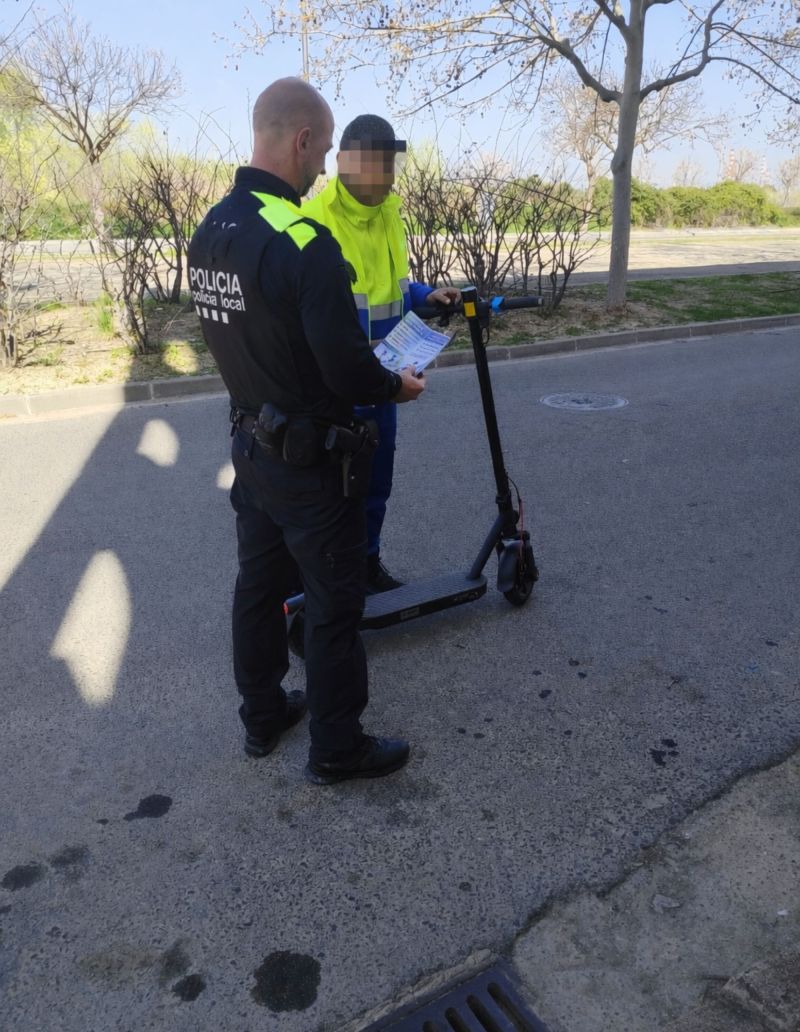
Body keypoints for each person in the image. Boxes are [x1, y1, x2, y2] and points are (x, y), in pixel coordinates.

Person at [187, 79, 425, 785]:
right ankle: (337, 747)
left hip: (250, 446)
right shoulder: (304, 240)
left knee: (259, 587)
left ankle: (263, 716)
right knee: (333, 602)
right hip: (312, 462)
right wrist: (395, 387)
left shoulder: (211, 230)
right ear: (300, 140)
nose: (324, 167)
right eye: (322, 150)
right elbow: (348, 369)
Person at [303, 115, 460, 593]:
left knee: (376, 485)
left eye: (390, 164)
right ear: (344, 162)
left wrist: (425, 295)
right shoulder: (314, 221)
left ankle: (368, 566)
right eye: (376, 164)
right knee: (336, 494)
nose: (386, 175)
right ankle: (333, 583)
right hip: (336, 389)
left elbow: (392, 287)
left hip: (386, 381)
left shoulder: (390, 214)